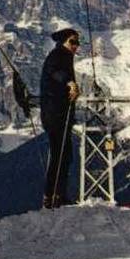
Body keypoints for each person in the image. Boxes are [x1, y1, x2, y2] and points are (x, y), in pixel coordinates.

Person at [40, 27, 80, 208]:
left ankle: (57, 195)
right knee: (59, 155)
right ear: (63, 41)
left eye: (77, 43)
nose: (76, 46)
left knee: (64, 155)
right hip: (56, 114)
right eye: (72, 42)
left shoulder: (65, 55)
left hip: (60, 114)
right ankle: (52, 196)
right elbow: (53, 71)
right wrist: (69, 82)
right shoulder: (58, 54)